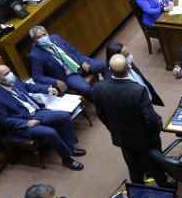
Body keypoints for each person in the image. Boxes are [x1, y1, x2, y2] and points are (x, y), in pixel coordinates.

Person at [0, 65, 85, 170]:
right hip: (23, 123)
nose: (10, 74)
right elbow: (4, 120)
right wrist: (26, 123)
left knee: (64, 116)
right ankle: (67, 159)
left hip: (36, 112)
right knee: (50, 132)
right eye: (6, 74)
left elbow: (28, 86)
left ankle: (69, 147)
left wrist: (47, 88)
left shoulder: (13, 81)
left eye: (9, 70)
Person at [92, 55, 169, 187]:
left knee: (133, 166)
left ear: (109, 69)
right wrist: (157, 128)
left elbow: (101, 115)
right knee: (155, 163)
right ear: (128, 68)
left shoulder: (98, 88)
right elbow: (150, 118)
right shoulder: (138, 90)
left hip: (122, 137)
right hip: (145, 137)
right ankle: (164, 186)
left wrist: (114, 129)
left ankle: (139, 190)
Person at [28, 26, 107, 101]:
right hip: (68, 76)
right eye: (39, 37)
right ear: (35, 40)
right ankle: (103, 107)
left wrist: (83, 61)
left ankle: (111, 89)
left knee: (106, 66)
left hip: (79, 63)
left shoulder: (55, 37)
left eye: (44, 34)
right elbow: (37, 77)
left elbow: (73, 50)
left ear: (47, 33)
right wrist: (56, 82)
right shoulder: (35, 55)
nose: (43, 38)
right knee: (86, 89)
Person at [106, 41, 164, 106]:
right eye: (126, 55)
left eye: (128, 53)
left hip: (146, 97)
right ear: (118, 60)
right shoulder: (112, 80)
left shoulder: (127, 63)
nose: (130, 56)